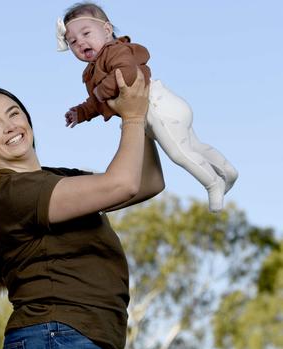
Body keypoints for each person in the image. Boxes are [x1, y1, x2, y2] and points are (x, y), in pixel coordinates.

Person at [0, 69, 164, 349]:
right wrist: (133, 116)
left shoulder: (54, 179)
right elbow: (122, 184)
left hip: (75, 340)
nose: (10, 126)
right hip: (58, 339)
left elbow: (147, 182)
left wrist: (139, 116)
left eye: (14, 114)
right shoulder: (14, 192)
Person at [55, 2, 237, 212]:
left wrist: (99, 92)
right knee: (194, 147)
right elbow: (99, 102)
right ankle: (228, 171)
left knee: (179, 153)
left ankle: (213, 183)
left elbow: (127, 73)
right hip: (157, 110)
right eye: (73, 42)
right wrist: (81, 112)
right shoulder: (95, 69)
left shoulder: (116, 51)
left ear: (107, 30)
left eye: (86, 33)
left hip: (157, 108)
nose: (80, 43)